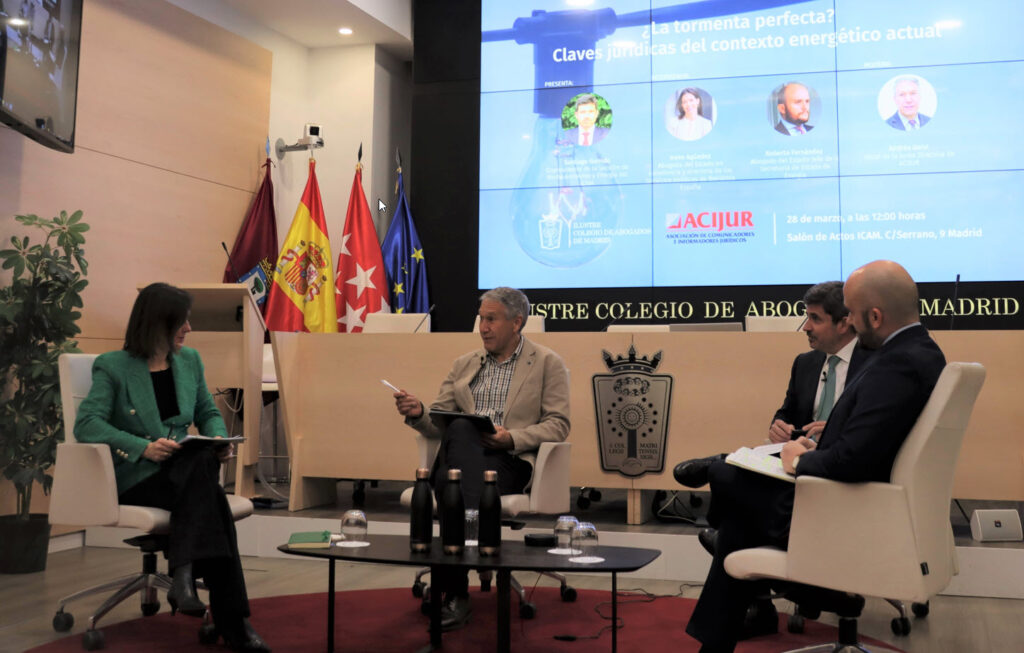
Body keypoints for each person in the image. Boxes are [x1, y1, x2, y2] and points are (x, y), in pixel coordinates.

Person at [685, 261, 946, 653]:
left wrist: (797, 460)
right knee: (738, 518)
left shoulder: (896, 364)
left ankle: (812, 591)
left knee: (728, 480)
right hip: (854, 498)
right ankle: (720, 642)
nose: (853, 327)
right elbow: (867, 443)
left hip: (845, 510)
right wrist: (810, 446)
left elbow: (852, 462)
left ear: (873, 316)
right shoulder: (920, 353)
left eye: (855, 316)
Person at [75, 283, 269, 653]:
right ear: (157, 324)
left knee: (199, 463)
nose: (189, 328)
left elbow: (208, 413)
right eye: (181, 321)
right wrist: (143, 447)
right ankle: (234, 623)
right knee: (209, 493)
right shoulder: (113, 366)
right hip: (138, 475)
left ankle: (185, 574)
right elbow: (87, 424)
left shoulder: (190, 361)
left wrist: (218, 440)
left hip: (184, 472)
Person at [673, 280, 872, 638]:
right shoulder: (806, 364)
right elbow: (786, 413)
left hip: (837, 480)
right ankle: (755, 607)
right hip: (793, 469)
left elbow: (871, 434)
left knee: (733, 513)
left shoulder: (873, 366)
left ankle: (764, 596)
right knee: (739, 506)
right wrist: (779, 427)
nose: (805, 327)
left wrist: (836, 429)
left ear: (844, 322)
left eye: (814, 318)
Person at [393, 287, 570, 630]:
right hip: (464, 452)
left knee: (448, 480)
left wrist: (511, 437)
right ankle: (473, 552)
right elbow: (439, 421)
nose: (483, 327)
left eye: (491, 319)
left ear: (517, 322)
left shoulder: (547, 363)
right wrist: (418, 413)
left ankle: (454, 590)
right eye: (481, 319)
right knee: (458, 430)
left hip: (508, 460)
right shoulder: (464, 364)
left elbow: (558, 424)